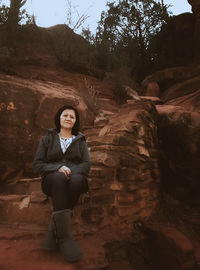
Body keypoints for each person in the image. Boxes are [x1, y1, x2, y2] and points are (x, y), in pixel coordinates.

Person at [33, 104, 91, 262]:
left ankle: (53, 231)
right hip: (52, 179)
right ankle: (66, 239)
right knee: (59, 177)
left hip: (74, 177)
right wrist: (58, 167)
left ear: (75, 121)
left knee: (78, 180)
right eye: (65, 115)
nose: (68, 118)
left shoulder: (80, 140)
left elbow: (86, 164)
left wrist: (71, 171)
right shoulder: (48, 138)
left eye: (72, 117)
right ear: (59, 118)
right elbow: (37, 165)